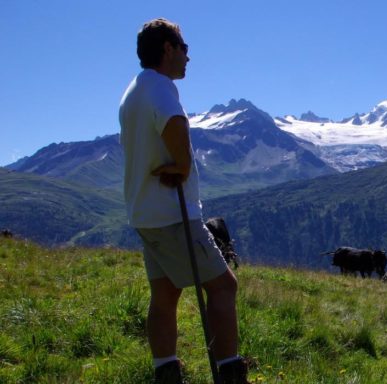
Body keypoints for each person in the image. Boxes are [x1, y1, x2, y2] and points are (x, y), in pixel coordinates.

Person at [119, 18, 250, 384]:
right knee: (224, 287)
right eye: (184, 48)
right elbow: (176, 125)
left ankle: (166, 372)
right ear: (167, 49)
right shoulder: (161, 88)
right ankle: (230, 371)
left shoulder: (135, 89)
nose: (189, 57)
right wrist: (180, 164)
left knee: (165, 293)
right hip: (172, 213)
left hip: (145, 213)